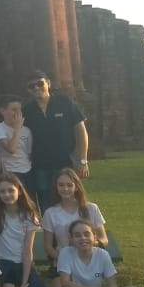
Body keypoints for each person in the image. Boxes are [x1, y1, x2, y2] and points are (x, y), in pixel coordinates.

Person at [22, 70, 89, 210]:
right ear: (28, 90)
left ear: (48, 83)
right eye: (32, 86)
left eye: (40, 83)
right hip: (41, 165)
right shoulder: (27, 111)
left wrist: (82, 160)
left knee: (71, 199)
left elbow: (81, 131)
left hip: (66, 162)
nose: (36, 88)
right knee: (46, 203)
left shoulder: (64, 102)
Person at [0, 174, 49, 287]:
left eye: (11, 190)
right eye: (2, 192)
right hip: (2, 265)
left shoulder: (29, 215)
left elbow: (27, 250)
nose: (7, 195)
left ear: (19, 191)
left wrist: (24, 282)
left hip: (22, 264)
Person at [56, 220, 140, 287]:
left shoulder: (103, 254)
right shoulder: (66, 253)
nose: (83, 238)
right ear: (71, 238)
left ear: (94, 236)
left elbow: (112, 284)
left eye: (87, 234)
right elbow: (65, 282)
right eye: (77, 235)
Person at [42, 168, 107, 272]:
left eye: (69, 185)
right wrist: (64, 260)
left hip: (90, 261)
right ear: (56, 187)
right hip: (64, 264)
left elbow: (103, 239)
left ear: (76, 187)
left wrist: (89, 243)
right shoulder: (50, 213)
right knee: (64, 283)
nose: (65, 189)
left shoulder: (92, 208)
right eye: (61, 185)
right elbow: (48, 246)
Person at [0, 95, 33, 189]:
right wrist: (17, 128)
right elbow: (11, 149)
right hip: (9, 172)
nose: (17, 113)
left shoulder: (27, 131)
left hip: (27, 170)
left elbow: (28, 153)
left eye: (19, 110)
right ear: (2, 111)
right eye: (14, 109)